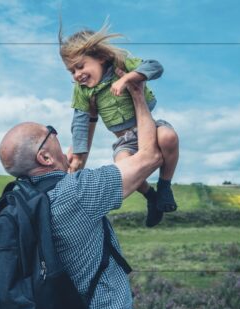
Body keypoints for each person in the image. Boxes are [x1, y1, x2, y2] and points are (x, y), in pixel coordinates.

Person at [0, 71, 163, 309]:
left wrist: (91, 116)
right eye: (50, 132)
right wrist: (138, 94)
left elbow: (73, 164)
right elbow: (150, 157)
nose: (56, 135)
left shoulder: (24, 199)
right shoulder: (78, 192)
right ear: (44, 157)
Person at [58, 22, 179, 226]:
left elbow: (155, 66)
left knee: (169, 136)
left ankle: (165, 186)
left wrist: (129, 78)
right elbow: (80, 121)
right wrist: (78, 155)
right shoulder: (83, 91)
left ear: (101, 57)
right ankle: (151, 196)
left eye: (80, 66)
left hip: (150, 127)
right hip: (125, 140)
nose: (77, 74)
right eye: (72, 71)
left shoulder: (121, 67)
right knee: (123, 168)